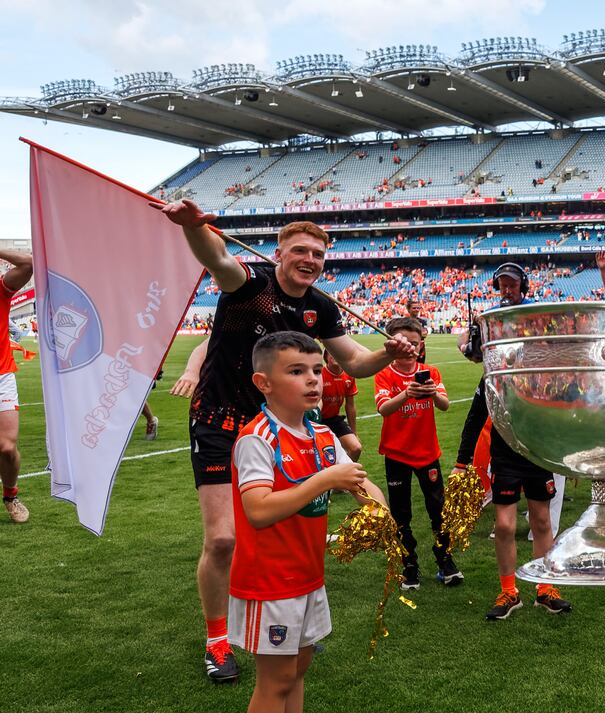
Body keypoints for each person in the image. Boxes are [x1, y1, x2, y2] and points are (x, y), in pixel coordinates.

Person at [151, 199, 415, 683]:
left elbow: (354, 363)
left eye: (317, 253)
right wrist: (192, 225)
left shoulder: (320, 306)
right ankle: (216, 640)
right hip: (219, 419)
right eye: (300, 250)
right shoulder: (253, 283)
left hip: (279, 423)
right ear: (279, 252)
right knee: (224, 537)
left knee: (276, 528)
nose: (309, 259)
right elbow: (217, 258)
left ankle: (281, 624)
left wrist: (387, 350)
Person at [228, 331, 384, 712]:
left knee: (298, 669)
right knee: (276, 679)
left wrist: (380, 514)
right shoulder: (257, 439)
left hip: (308, 575)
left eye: (317, 369)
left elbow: (364, 487)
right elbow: (259, 510)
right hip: (269, 582)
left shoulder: (322, 434)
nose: (313, 379)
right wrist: (325, 481)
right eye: (297, 371)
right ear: (263, 383)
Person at [455, 263, 572, 621]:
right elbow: (476, 373)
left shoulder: (535, 317)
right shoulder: (491, 333)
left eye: (512, 283)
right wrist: (472, 342)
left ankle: (545, 587)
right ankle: (508, 591)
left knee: (540, 520)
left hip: (536, 439)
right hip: (506, 443)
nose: (507, 289)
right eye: (502, 284)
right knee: (504, 525)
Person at [374, 316, 462, 590]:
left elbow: (445, 405)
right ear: (391, 345)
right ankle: (409, 564)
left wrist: (433, 394)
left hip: (427, 453)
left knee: (438, 509)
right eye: (403, 343)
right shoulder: (384, 374)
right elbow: (383, 409)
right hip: (397, 453)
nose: (409, 348)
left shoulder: (431, 371)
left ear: (421, 344)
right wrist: (407, 394)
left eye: (414, 343)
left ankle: (445, 560)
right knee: (401, 513)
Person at [0, 250, 33, 523]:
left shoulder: (1, 289)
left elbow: (28, 264)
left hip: (2, 376)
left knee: (7, 448)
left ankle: (10, 495)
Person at [320, 349, 361, 461]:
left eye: (337, 352)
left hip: (334, 420)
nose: (334, 355)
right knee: (324, 455)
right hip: (317, 420)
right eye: (330, 352)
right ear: (326, 357)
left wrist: (354, 432)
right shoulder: (319, 374)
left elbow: (350, 405)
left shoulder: (349, 375)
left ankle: (344, 474)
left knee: (356, 448)